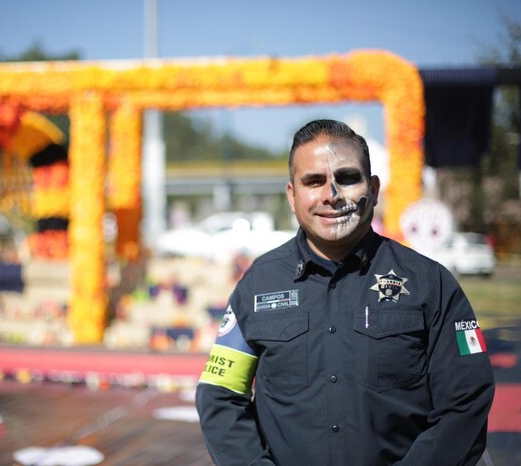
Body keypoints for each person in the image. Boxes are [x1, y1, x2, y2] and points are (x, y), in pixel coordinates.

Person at [195, 119, 495, 465]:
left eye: (347, 177)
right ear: (292, 196)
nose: (331, 195)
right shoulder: (257, 285)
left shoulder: (431, 284)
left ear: (374, 188)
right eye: (314, 181)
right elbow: (220, 394)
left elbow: (467, 400)